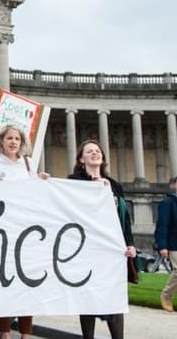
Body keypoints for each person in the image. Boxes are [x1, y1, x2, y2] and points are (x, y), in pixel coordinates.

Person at [0, 125, 47, 339]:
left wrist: (41, 181)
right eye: (8, 138)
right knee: (4, 279)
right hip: (1, 229)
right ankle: (4, 331)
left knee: (27, 280)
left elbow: (35, 195)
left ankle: (26, 332)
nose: (13, 142)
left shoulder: (27, 164)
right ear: (1, 141)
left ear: (21, 142)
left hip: (24, 229)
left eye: (16, 139)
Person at [68, 139, 137, 338]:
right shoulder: (74, 181)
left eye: (97, 151)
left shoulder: (114, 185)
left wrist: (130, 244)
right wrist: (93, 186)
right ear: (81, 159)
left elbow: (124, 218)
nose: (94, 153)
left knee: (114, 297)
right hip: (87, 248)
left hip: (112, 249)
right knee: (88, 296)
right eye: (89, 151)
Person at [155, 175, 177, 312]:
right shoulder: (167, 202)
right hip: (173, 242)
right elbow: (162, 225)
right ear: (174, 184)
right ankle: (166, 294)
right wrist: (162, 245)